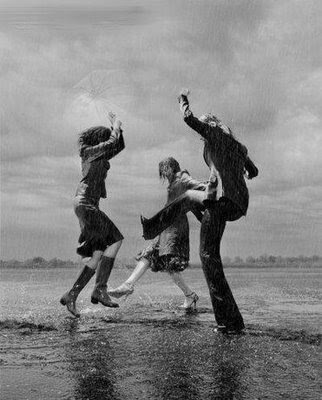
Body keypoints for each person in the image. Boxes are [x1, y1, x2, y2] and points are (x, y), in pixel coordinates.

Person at [141, 90, 258, 333]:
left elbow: (188, 118)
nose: (203, 130)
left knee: (207, 256)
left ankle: (228, 323)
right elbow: (254, 171)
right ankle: (231, 321)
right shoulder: (239, 147)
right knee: (191, 204)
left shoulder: (215, 135)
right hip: (236, 203)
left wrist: (182, 99)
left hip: (221, 201)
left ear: (212, 125)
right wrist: (241, 171)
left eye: (206, 124)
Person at [108, 157, 206, 310]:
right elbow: (189, 203)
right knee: (149, 255)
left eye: (165, 169)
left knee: (170, 264)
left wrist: (208, 186)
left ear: (172, 167)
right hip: (166, 227)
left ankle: (190, 295)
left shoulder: (182, 177)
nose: (164, 173)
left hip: (176, 228)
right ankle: (128, 285)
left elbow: (198, 187)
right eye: (162, 171)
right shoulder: (173, 183)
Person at [60, 112, 125, 317]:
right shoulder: (89, 151)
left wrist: (118, 129)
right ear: (100, 139)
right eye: (105, 139)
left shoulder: (99, 154)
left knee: (97, 253)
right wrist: (115, 126)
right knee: (115, 240)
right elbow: (112, 142)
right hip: (86, 204)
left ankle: (72, 294)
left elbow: (118, 145)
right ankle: (100, 288)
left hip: (87, 205)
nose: (108, 143)